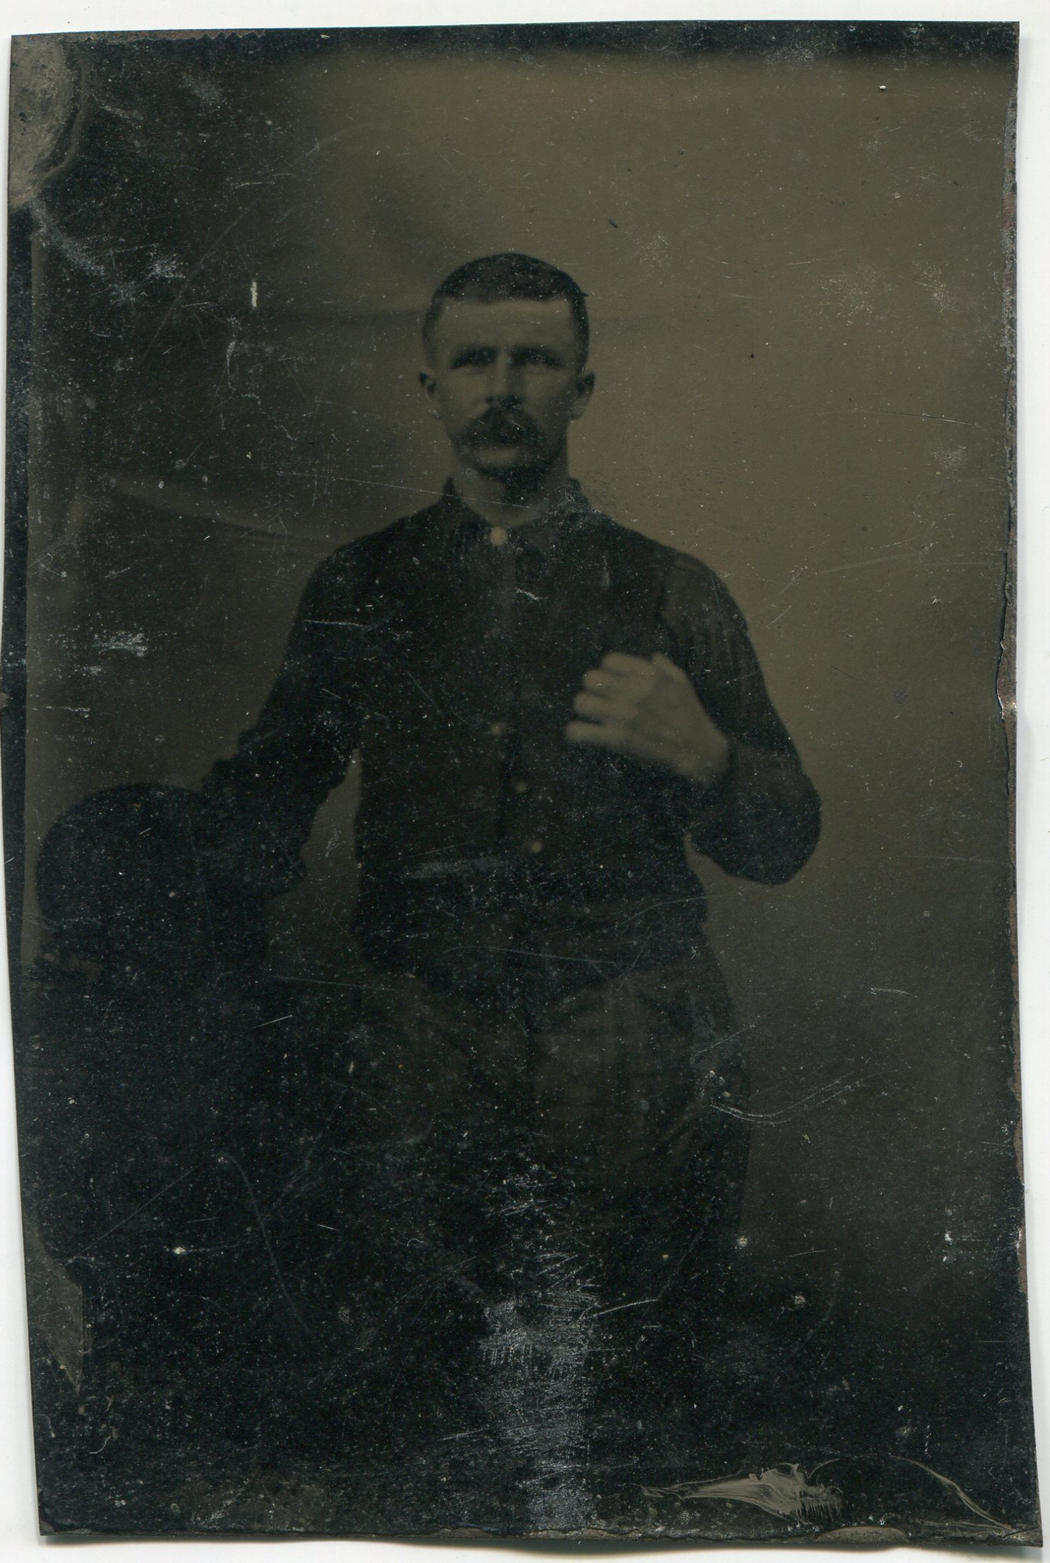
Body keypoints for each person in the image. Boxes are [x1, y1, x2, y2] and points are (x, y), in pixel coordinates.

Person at [195, 253, 821, 1509]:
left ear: (581, 388)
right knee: (407, 1362)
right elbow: (263, 798)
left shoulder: (671, 590)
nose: (502, 387)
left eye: (534, 361)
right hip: (417, 1020)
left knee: (623, 1373)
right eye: (474, 359)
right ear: (428, 384)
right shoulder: (364, 584)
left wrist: (704, 756)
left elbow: (784, 837)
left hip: (625, 1022)